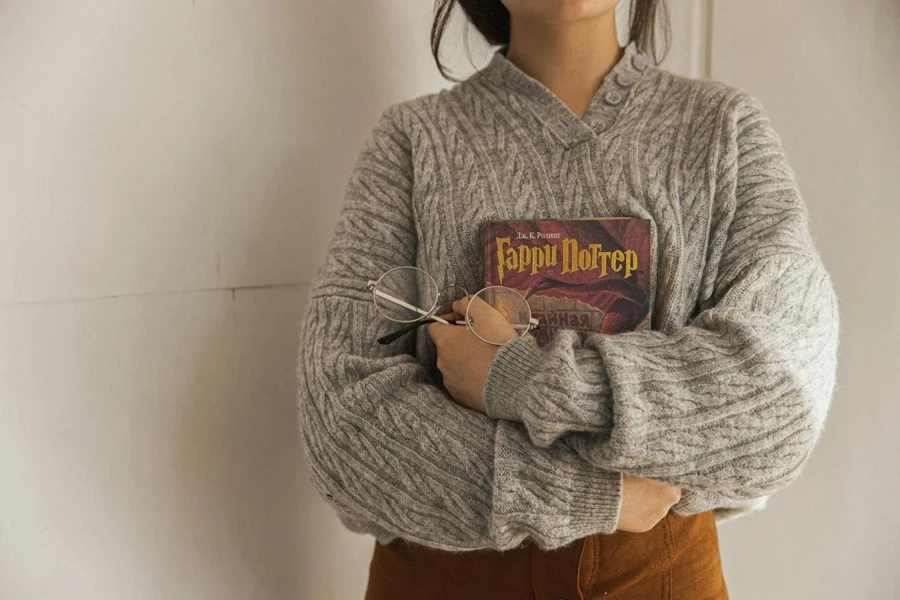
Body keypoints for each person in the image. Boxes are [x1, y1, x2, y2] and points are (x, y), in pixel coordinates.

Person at [296, 0, 841, 598]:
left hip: (655, 575)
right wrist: (593, 494)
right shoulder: (412, 140)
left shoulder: (723, 129)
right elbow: (341, 418)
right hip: (444, 575)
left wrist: (520, 377)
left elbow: (781, 395)